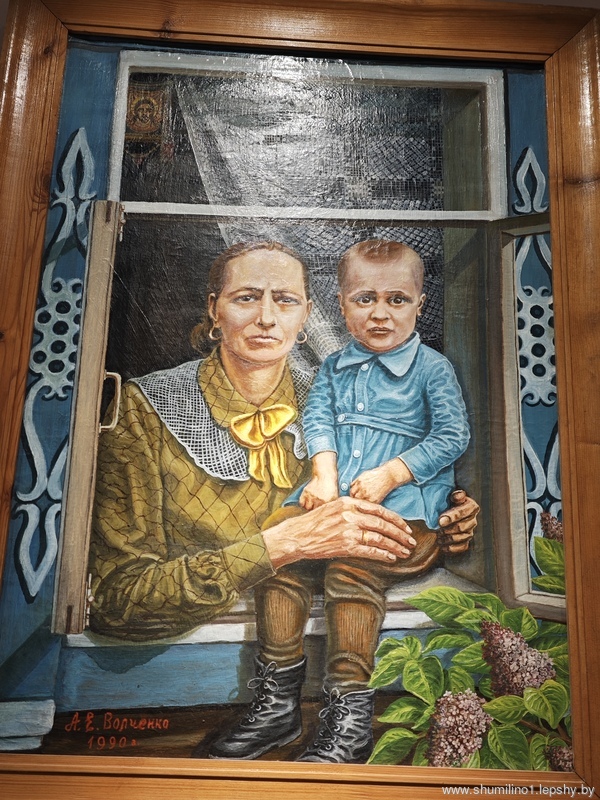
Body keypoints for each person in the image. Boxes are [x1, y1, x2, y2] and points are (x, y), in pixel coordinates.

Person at [89, 240, 478, 762]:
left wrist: (448, 513)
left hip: (369, 585)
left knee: (353, 574)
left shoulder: (338, 390)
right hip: (161, 686)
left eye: (286, 301)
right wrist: (278, 545)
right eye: (246, 297)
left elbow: (428, 446)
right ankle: (275, 707)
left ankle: (347, 712)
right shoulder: (145, 409)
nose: (267, 318)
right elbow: (114, 600)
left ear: (308, 316)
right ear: (214, 310)